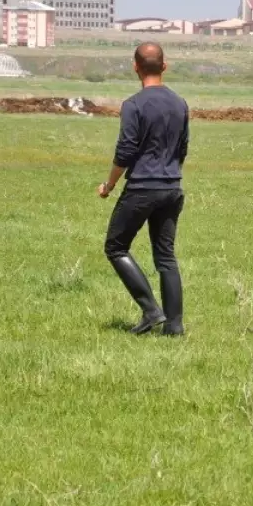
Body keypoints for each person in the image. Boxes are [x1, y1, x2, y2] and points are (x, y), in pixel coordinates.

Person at [98, 42, 189, 335]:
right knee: (165, 255)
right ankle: (174, 327)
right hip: (172, 186)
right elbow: (182, 148)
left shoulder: (133, 105)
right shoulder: (180, 103)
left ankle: (151, 311)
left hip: (142, 187)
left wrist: (109, 185)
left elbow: (125, 152)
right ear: (165, 66)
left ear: (135, 66)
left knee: (115, 246)